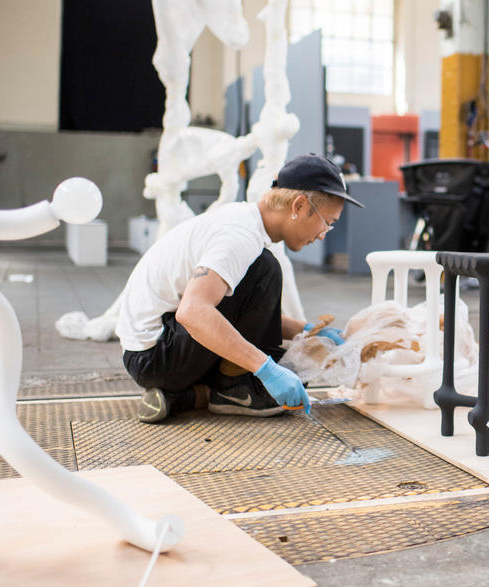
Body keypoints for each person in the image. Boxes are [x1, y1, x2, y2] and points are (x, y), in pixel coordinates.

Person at [118, 154, 364, 424]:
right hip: (154, 357)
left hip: (162, 346)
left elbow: (235, 310)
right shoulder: (240, 236)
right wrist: (266, 369)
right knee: (267, 275)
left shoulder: (246, 225)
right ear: (299, 205)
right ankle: (229, 391)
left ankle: (190, 396)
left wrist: (306, 331)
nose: (323, 234)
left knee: (293, 368)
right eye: (328, 222)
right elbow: (193, 311)